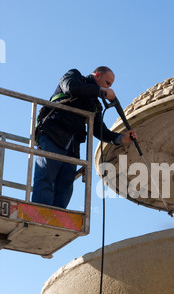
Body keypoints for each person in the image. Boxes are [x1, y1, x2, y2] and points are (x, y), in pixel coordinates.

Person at [31, 66, 136, 209]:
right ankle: (39, 214)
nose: (109, 87)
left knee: (66, 185)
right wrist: (99, 91)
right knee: (46, 177)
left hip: (71, 146)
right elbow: (71, 88)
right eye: (107, 83)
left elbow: (100, 130)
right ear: (97, 75)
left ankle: (57, 219)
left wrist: (121, 138)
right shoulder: (74, 76)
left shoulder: (94, 103)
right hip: (53, 135)